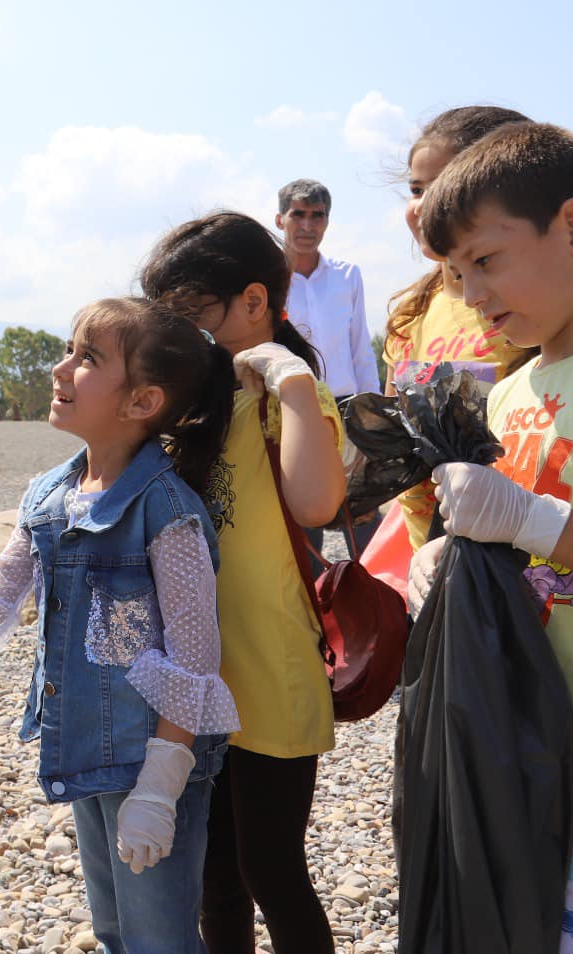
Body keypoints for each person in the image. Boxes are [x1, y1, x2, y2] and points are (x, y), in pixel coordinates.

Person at [0, 297, 240, 954]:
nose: (61, 369)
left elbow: (195, 659)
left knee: (161, 942)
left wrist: (163, 786)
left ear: (142, 402)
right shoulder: (49, 495)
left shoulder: (168, 511)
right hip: (84, 749)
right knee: (117, 934)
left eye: (88, 358)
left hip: (146, 761)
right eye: (69, 349)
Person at [412, 121, 573, 951]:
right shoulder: (507, 394)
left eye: (485, 261)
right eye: (455, 275)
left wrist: (540, 520)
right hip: (526, 766)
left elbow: (542, 522)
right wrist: (454, 560)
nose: (469, 294)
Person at [140, 213, 346, 954]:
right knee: (212, 876)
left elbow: (317, 504)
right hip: (197, 677)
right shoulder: (196, 398)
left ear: (254, 301)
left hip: (273, 672)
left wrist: (290, 380)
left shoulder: (288, 396)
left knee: (273, 871)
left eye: (192, 311)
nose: (180, 330)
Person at [382, 106, 536, 551]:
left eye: (447, 185)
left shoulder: (533, 309)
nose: (424, 206)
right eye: (416, 188)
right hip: (429, 565)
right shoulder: (410, 313)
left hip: (526, 561)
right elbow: (397, 438)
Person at [276, 179, 380, 558]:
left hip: (346, 405)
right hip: (292, 410)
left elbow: (360, 346)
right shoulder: (269, 281)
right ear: (280, 219)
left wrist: (375, 412)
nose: (307, 226)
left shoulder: (346, 276)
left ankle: (377, 595)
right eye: (298, 215)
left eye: (316, 216)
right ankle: (314, 608)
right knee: (305, 512)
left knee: (361, 507)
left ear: (327, 222)